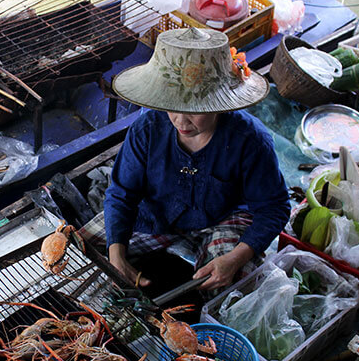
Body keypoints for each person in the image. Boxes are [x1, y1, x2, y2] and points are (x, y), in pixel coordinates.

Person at [79, 27, 290, 296]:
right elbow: (121, 194)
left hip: (221, 219)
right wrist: (117, 256)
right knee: (82, 249)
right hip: (155, 216)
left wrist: (234, 259)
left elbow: (274, 208)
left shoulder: (250, 140)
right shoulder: (147, 129)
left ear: (219, 103)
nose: (180, 120)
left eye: (193, 110)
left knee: (237, 284)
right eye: (172, 106)